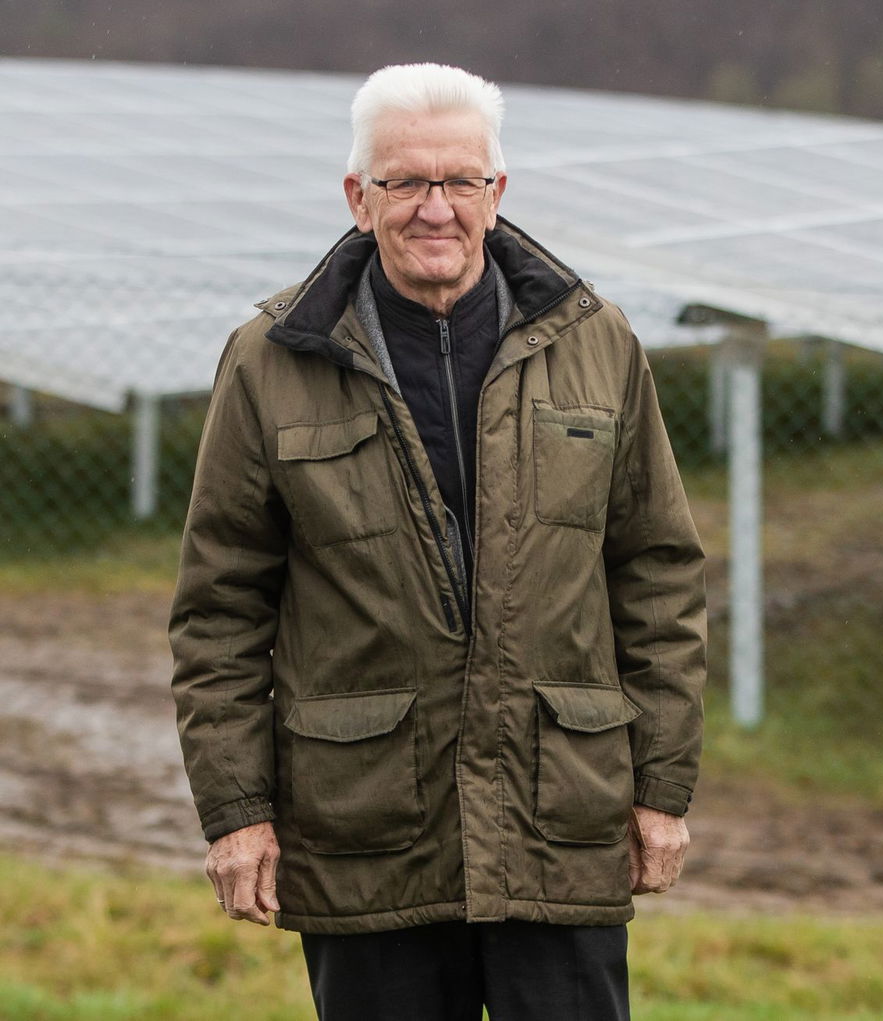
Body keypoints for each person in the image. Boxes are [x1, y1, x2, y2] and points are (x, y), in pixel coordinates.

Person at [170, 63, 706, 1020]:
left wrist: (661, 786)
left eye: (460, 181)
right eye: (404, 182)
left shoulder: (596, 342)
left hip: (557, 816)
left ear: (498, 195)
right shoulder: (272, 360)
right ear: (357, 196)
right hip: (368, 827)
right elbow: (219, 611)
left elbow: (658, 577)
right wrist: (238, 811)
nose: (435, 208)